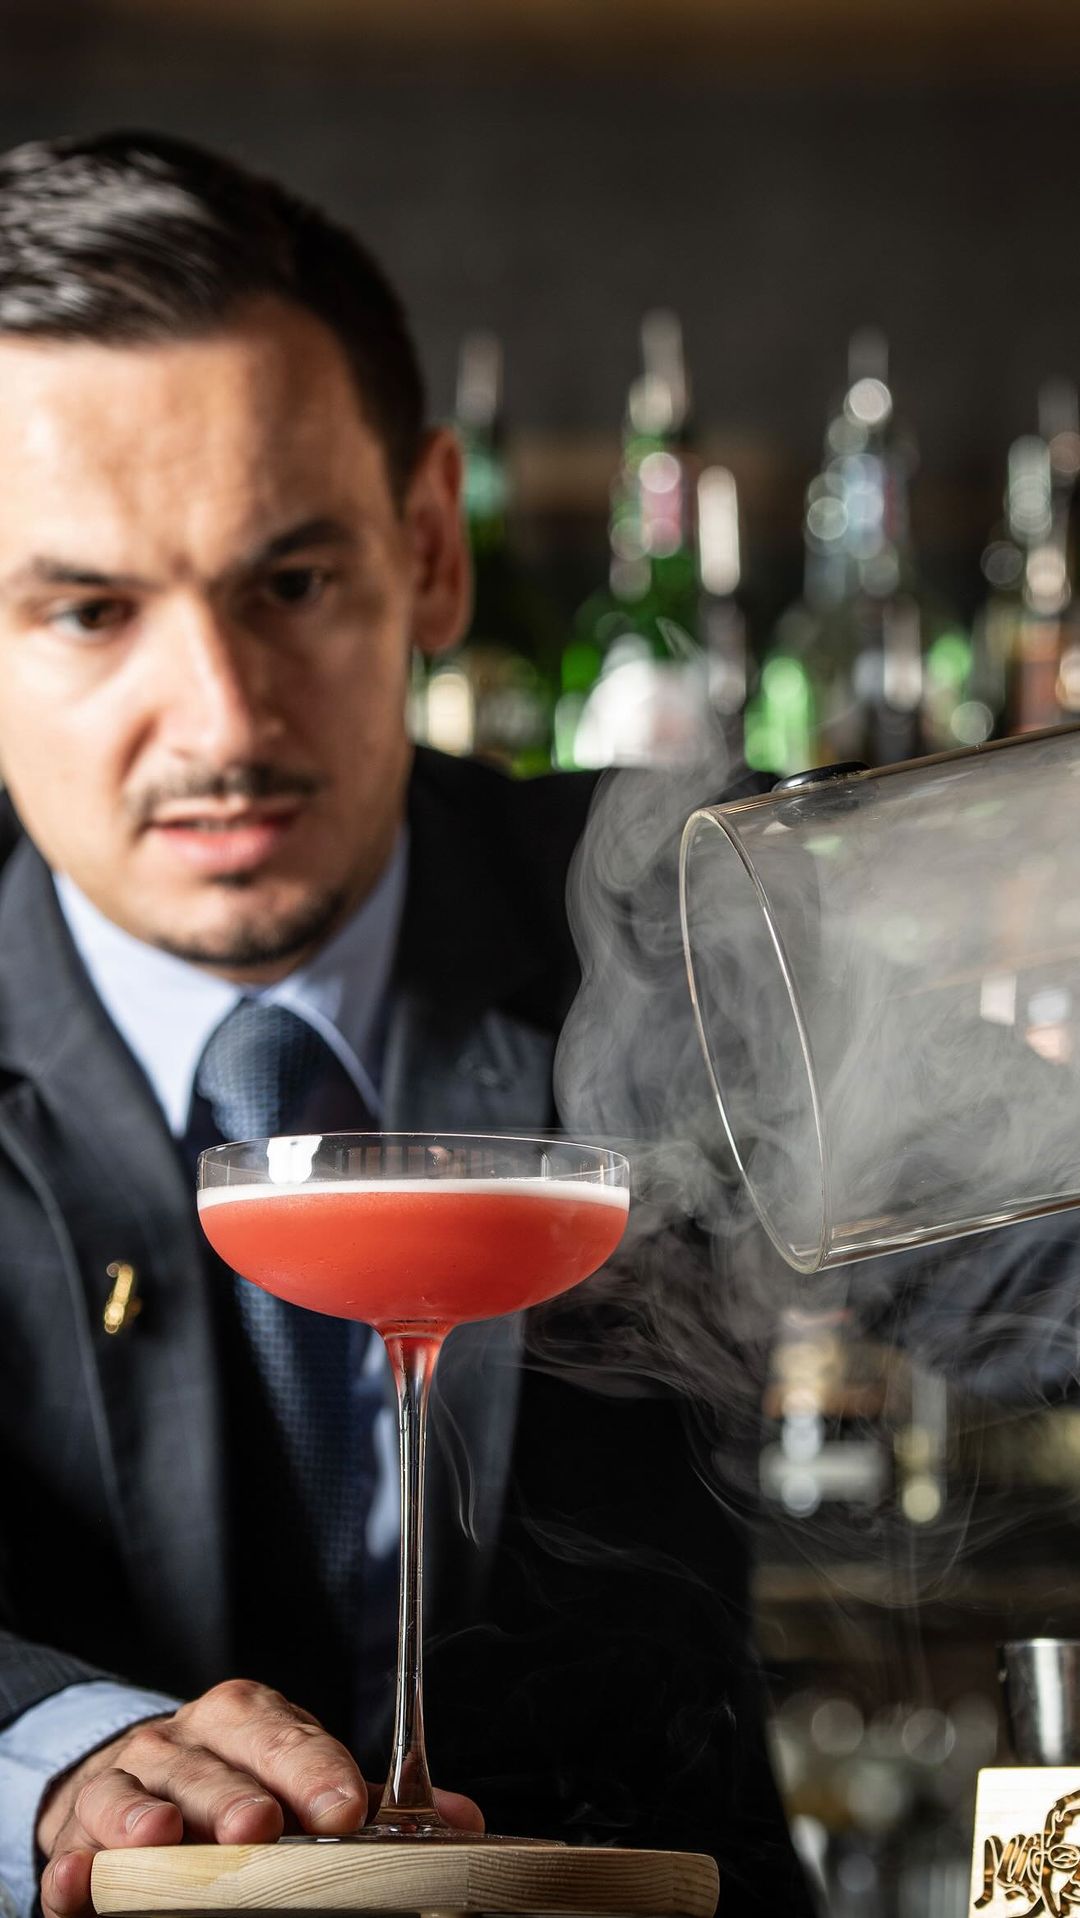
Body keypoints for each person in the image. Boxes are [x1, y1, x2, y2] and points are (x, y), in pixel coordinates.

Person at [0, 133, 814, 1918]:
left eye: (291, 584)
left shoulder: (688, 908)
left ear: (429, 547)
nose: (221, 719)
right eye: (89, 610)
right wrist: (47, 1745)